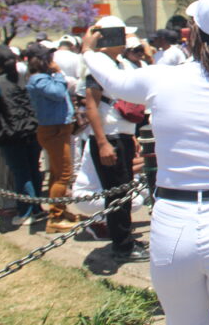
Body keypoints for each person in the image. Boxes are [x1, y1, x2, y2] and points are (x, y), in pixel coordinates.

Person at [83, 0, 209, 322]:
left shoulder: (162, 78)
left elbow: (113, 81)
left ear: (195, 31)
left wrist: (89, 51)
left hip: (173, 221)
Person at [83, 16, 146, 262]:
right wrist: (102, 143)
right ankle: (122, 247)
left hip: (122, 134)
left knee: (124, 192)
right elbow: (91, 106)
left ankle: (125, 238)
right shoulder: (98, 64)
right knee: (117, 195)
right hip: (110, 137)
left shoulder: (116, 63)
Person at [0, 46, 44, 227]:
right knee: (34, 170)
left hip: (10, 134)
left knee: (21, 173)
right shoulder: (26, 79)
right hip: (32, 130)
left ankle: (26, 212)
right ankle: (37, 208)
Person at [25, 43, 79, 233]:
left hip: (58, 128)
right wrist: (58, 73)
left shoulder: (43, 77)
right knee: (64, 174)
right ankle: (55, 217)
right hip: (53, 130)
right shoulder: (39, 79)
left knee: (57, 173)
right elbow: (57, 93)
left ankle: (60, 210)